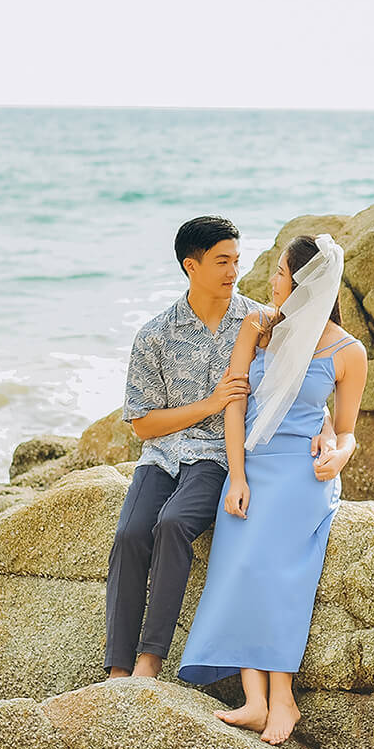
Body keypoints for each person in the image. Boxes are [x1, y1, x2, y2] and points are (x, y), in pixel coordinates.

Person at [104, 217, 338, 681]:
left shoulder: (261, 322)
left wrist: (327, 428)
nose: (234, 271)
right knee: (130, 535)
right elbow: (143, 425)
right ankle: (117, 666)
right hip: (163, 456)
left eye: (236, 259)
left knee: (172, 525)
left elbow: (299, 382)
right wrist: (209, 403)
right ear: (191, 266)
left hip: (218, 456)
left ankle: (150, 661)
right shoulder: (155, 335)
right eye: (222, 262)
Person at [176, 232, 364, 744]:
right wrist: (236, 475)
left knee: (280, 572)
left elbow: (346, 430)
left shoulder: (350, 352)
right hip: (253, 467)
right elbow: (234, 404)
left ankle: (282, 698)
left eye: (280, 273)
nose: (272, 281)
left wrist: (340, 452)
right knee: (241, 566)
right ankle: (254, 698)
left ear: (303, 283)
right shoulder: (257, 328)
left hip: (303, 476)